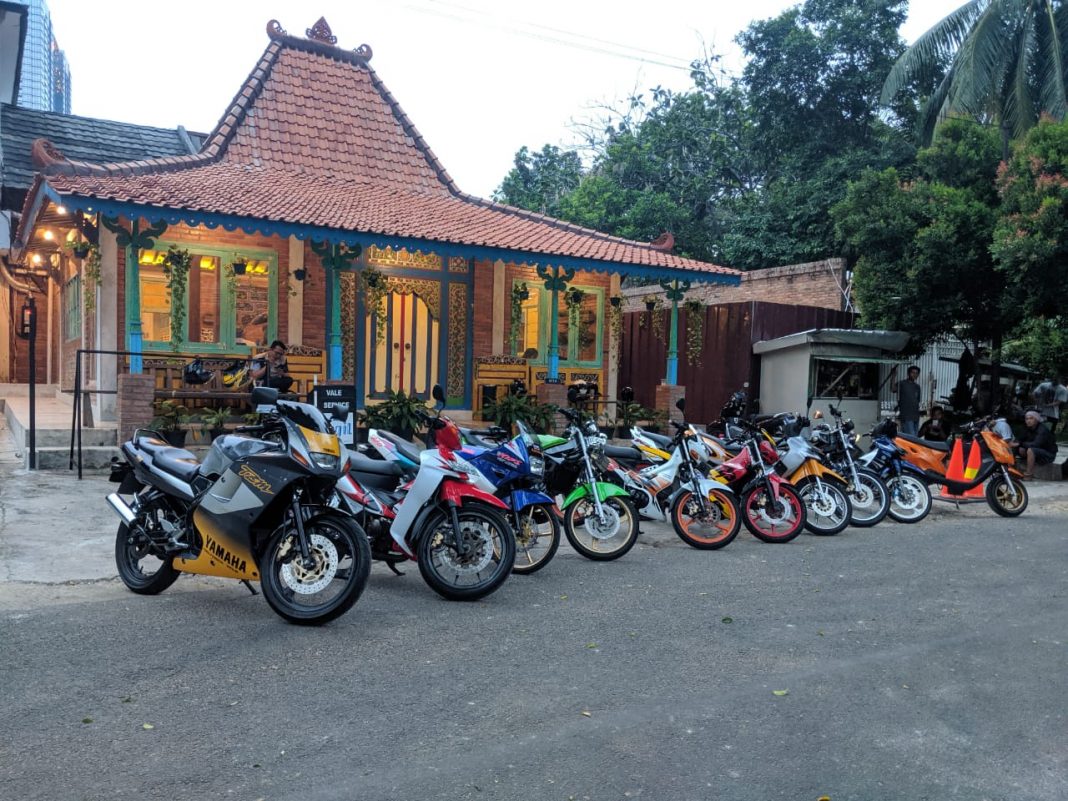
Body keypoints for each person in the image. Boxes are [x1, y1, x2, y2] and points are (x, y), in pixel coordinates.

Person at [1015, 409, 1058, 479]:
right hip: (1037, 452)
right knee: (1020, 449)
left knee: (1031, 450)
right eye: (1027, 419)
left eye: (1031, 418)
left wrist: (1020, 443)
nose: (1028, 421)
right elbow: (1019, 439)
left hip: (1048, 455)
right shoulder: (1027, 428)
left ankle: (1028, 474)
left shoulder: (1042, 430)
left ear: (1037, 419)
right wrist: (1016, 443)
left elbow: (1035, 445)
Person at [896, 365, 922, 436]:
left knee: (915, 437)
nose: (914, 374)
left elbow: (917, 400)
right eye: (913, 372)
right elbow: (893, 389)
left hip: (915, 416)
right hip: (906, 416)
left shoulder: (917, 386)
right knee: (910, 437)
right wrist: (893, 376)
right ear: (908, 373)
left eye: (916, 373)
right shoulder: (902, 383)